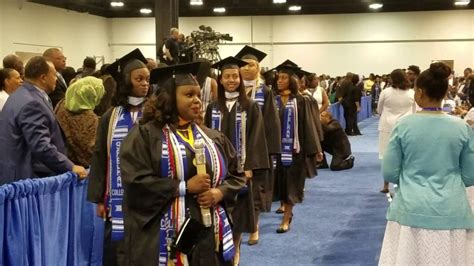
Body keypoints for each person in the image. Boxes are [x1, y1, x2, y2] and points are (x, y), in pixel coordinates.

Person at [120, 62, 246, 265]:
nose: (197, 100)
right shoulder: (144, 135)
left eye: (198, 95)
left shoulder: (212, 137)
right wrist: (183, 187)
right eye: (189, 95)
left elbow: (236, 175)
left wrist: (220, 192)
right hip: (164, 232)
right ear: (169, 98)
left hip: (208, 232)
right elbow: (135, 182)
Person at [379, 62, 474, 265]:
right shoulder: (461, 127)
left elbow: (389, 172)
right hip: (451, 209)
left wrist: (409, 177)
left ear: (419, 92)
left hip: (410, 208)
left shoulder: (403, 126)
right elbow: (470, 175)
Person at [87, 49, 150, 266]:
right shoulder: (110, 116)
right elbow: (100, 156)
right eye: (139, 79)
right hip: (116, 197)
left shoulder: (154, 112)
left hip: (148, 196)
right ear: (126, 82)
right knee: (116, 252)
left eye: (147, 79)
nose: (145, 84)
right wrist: (100, 198)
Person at [205, 57, 269, 264]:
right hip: (217, 169)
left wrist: (250, 166)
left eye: (235, 76)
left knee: (240, 211)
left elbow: (256, 136)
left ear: (240, 79)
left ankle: (236, 247)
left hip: (241, 170)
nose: (232, 80)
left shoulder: (250, 106)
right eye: (227, 76)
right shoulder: (212, 107)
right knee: (219, 209)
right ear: (221, 80)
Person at [0, 56, 87, 185]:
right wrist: (70, 166)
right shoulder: (31, 103)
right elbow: (40, 145)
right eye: (54, 74)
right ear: (43, 78)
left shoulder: (20, 95)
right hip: (28, 180)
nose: (56, 78)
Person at [236, 45, 281, 245]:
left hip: (256, 147)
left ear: (258, 68)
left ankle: (254, 228)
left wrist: (269, 152)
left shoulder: (265, 91)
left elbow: (272, 121)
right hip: (234, 146)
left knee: (254, 189)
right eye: (243, 65)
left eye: (251, 65)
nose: (247, 68)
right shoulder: (231, 90)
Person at [272, 61, 321, 234]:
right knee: (279, 183)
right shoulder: (273, 100)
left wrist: (316, 150)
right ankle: (283, 206)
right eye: (279, 77)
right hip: (276, 151)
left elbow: (308, 125)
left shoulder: (301, 101)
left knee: (291, 185)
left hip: (295, 151)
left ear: (292, 80)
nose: (280, 81)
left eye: (284, 78)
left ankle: (287, 217)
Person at [377, 69, 416, 193]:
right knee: (405, 156)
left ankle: (385, 185)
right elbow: (415, 111)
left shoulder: (386, 92)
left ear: (391, 79)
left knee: (386, 156)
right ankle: (404, 184)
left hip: (387, 127)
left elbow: (378, 109)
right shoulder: (411, 93)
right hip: (406, 127)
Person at [54, 76, 105, 167]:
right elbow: (92, 151)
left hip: (64, 163)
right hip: (83, 170)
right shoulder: (89, 118)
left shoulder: (61, 105)